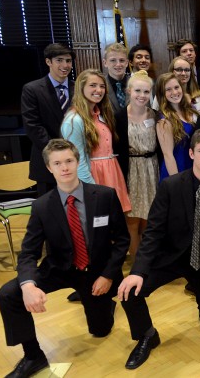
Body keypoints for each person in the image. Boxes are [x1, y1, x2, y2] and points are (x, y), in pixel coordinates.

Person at [0, 139, 129, 378]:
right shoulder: (41, 207)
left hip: (95, 272)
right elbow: (28, 252)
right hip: (58, 268)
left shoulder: (105, 196)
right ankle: (33, 356)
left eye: (69, 161)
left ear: (78, 162)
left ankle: (104, 304)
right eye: (57, 163)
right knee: (8, 294)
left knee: (100, 331)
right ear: (49, 168)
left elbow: (122, 241)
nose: (64, 167)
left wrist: (108, 275)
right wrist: (27, 285)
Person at [118, 129, 200, 369]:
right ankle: (147, 336)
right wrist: (137, 271)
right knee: (131, 293)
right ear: (191, 153)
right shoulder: (171, 186)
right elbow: (153, 231)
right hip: (171, 257)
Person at [61, 69, 132, 213]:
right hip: (93, 177)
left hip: (111, 172)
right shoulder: (74, 121)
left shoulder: (101, 114)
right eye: (93, 85)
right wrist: (92, 191)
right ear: (81, 88)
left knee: (113, 223)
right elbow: (78, 161)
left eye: (102, 86)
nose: (98, 90)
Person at [21, 43, 75, 195]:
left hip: (76, 160)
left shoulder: (78, 88)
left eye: (68, 61)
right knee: (50, 212)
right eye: (59, 60)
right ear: (48, 62)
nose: (65, 65)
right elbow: (33, 126)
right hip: (47, 162)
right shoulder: (32, 89)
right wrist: (57, 152)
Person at [125, 71, 159, 260]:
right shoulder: (119, 117)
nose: (142, 95)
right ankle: (136, 262)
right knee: (132, 220)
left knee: (149, 218)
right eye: (138, 90)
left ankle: (148, 261)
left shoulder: (154, 115)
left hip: (151, 168)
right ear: (129, 91)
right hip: (131, 169)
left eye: (146, 92)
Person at [155, 72, 199, 181]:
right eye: (168, 90)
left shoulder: (189, 111)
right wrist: (177, 183)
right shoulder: (164, 121)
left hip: (192, 166)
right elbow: (168, 155)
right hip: (176, 170)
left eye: (176, 87)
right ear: (162, 93)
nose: (174, 92)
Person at [103, 42, 130, 114]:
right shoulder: (100, 85)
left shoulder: (137, 83)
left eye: (122, 60)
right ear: (105, 62)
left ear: (127, 63)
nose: (118, 64)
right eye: (113, 60)